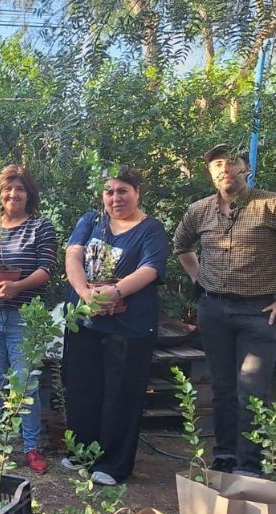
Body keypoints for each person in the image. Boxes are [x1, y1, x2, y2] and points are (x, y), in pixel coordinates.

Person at [173, 144, 276, 477]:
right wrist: (199, 278)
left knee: (254, 391)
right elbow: (181, 246)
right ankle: (226, 456)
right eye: (217, 164)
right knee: (221, 388)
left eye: (231, 162)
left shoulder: (269, 204)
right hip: (214, 310)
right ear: (211, 173)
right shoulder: (199, 210)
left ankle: (251, 467)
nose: (224, 169)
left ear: (245, 168)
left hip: (259, 313)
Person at [63, 166, 168, 485]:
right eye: (109, 191)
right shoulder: (90, 220)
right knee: (81, 387)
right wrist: (86, 294)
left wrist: (116, 291)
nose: (115, 197)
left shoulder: (151, 229)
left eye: (123, 190)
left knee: (122, 394)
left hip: (129, 327)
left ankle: (113, 464)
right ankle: (82, 452)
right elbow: (73, 256)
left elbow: (151, 268)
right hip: (85, 320)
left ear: (137, 191)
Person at [0, 165, 57, 473]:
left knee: (25, 384)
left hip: (24, 316)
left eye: (19, 189)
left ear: (29, 194)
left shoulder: (40, 227)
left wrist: (16, 285)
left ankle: (31, 447)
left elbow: (47, 269)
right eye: (7, 189)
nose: (12, 194)